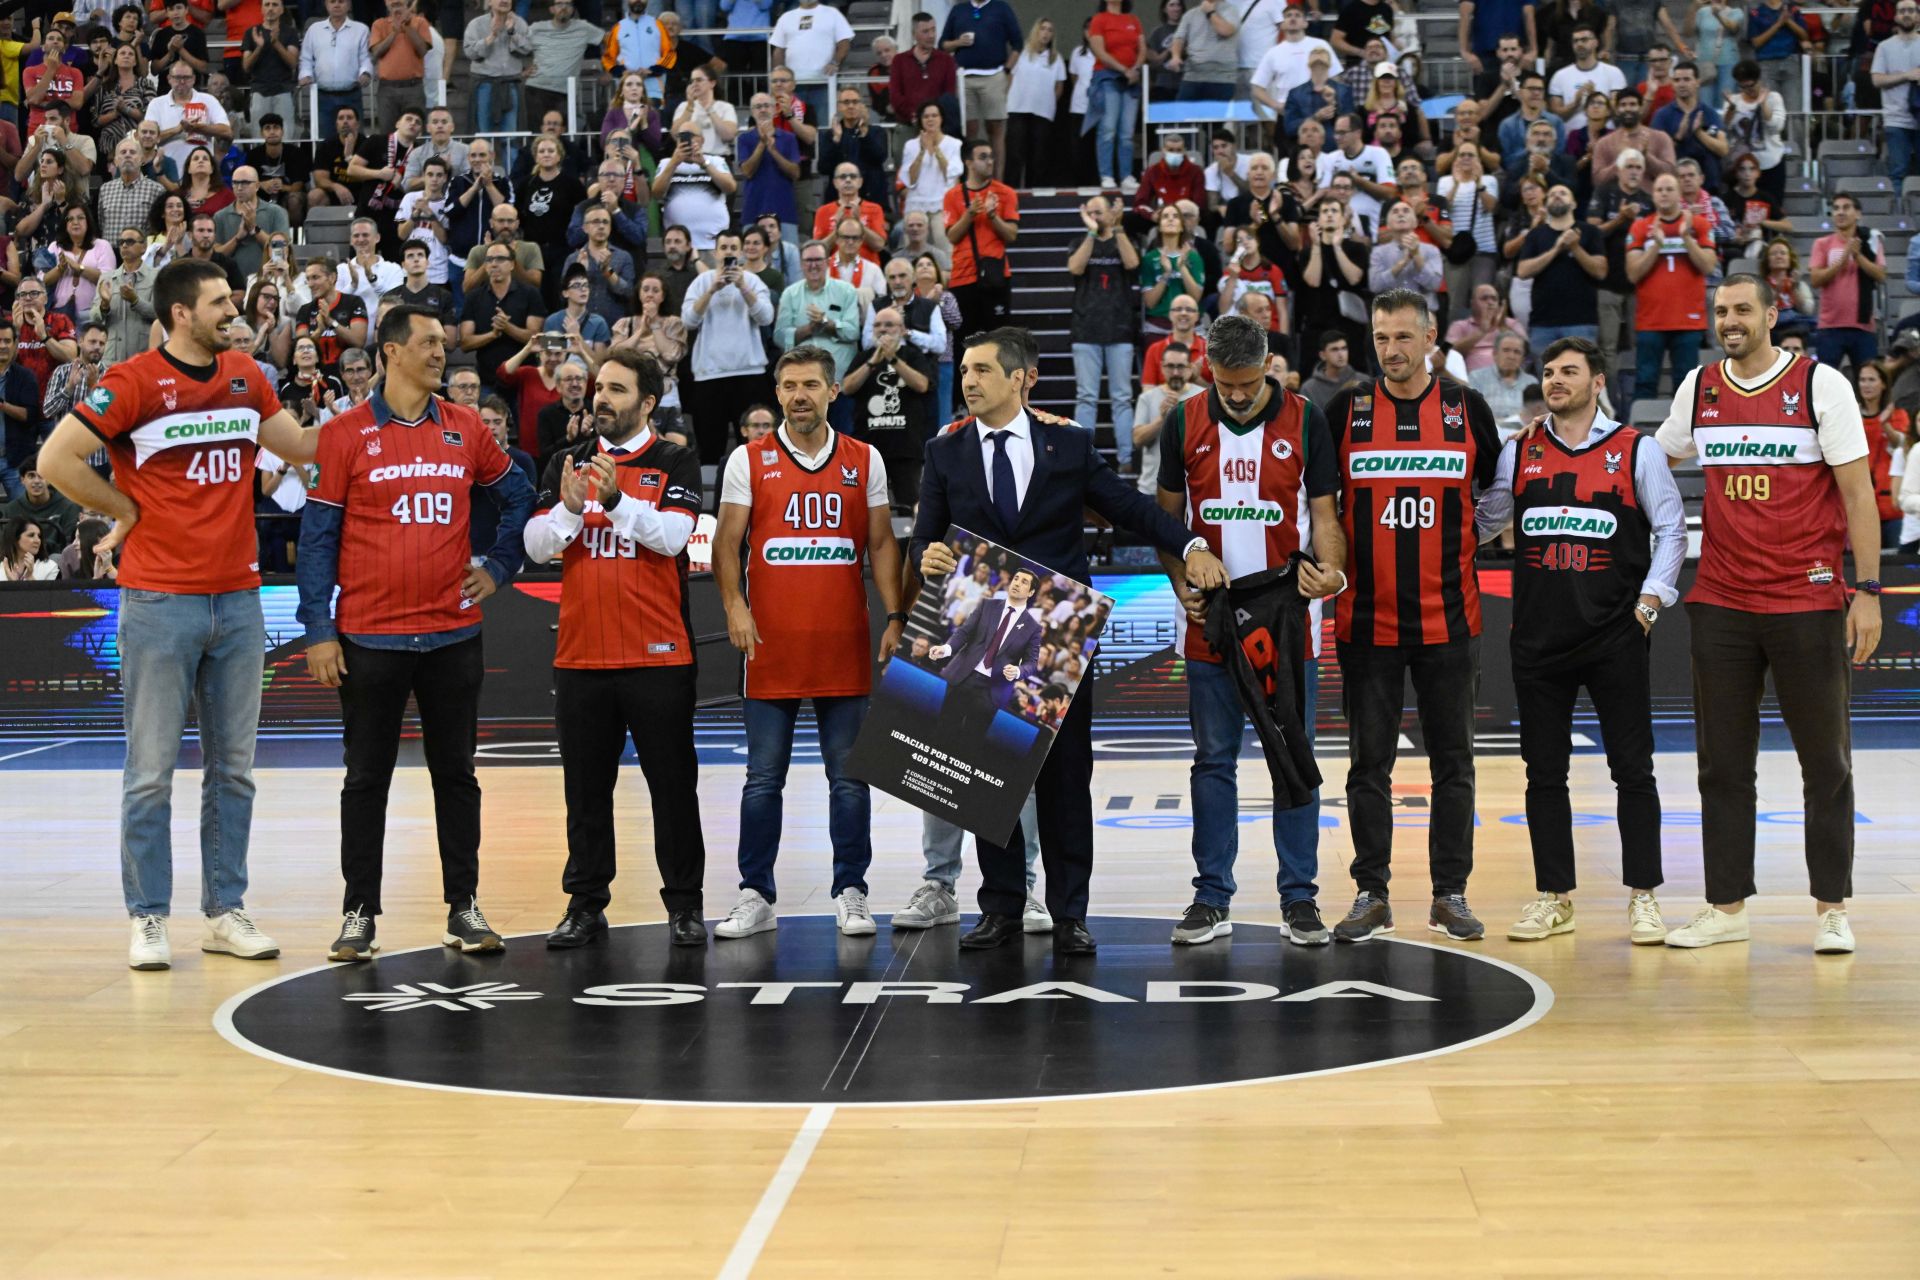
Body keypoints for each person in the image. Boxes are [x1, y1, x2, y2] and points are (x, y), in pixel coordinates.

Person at [35, 259, 320, 970]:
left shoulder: (247, 377)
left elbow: (303, 448)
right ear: (181, 313)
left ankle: (224, 911)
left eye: (233, 296)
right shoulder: (132, 382)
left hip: (240, 600)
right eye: (221, 300)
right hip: (159, 601)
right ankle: (148, 917)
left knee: (234, 771)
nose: (235, 308)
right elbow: (56, 457)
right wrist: (123, 508)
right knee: (151, 771)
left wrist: (376, 405)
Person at [908, 327, 1227, 952]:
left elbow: (1129, 507)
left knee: (1065, 781)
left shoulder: (1070, 445)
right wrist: (929, 558)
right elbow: (925, 536)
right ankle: (998, 907)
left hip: (1058, 637)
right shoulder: (944, 453)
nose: (967, 381)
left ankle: (1069, 913)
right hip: (979, 637)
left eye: (980, 371)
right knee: (985, 778)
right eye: (965, 371)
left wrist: (1189, 543)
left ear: (1021, 377)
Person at [296, 305, 533, 961]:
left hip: (453, 636)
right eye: (429, 344)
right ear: (392, 352)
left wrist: (501, 563)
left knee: (456, 775)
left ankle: (464, 907)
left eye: (443, 343)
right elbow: (316, 540)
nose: (442, 353)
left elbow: (520, 493)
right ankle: (358, 914)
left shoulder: (465, 429)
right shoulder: (341, 435)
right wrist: (318, 627)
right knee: (365, 779)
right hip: (369, 639)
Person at [1654, 275, 1882, 953]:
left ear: (1772, 315)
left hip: (1808, 598)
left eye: (1742, 309)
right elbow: (1652, 460)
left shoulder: (1820, 385)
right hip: (1721, 600)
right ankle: (1726, 908)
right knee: (1722, 763)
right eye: (1720, 310)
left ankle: (1832, 909)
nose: (1729, 320)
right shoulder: (1698, 387)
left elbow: (1858, 494)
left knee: (1827, 763)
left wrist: (1865, 590)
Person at [1150, 314, 1345, 946]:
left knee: (1294, 760)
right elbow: (1167, 521)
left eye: (1249, 383)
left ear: (1269, 365)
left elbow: (1324, 515)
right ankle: (1211, 897)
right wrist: (1182, 580)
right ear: (1208, 367)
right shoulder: (1183, 419)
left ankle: (1300, 899)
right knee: (1213, 761)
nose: (1236, 394)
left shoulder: (1306, 417)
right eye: (1225, 383)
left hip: (1287, 623)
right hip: (1210, 619)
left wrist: (1333, 570)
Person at [1320, 288, 1503, 944]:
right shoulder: (1344, 408)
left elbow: (1500, 486)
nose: (1392, 350)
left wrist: (1470, 536)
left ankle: (1449, 894)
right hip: (1366, 623)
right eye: (1382, 337)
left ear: (1431, 338)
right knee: (1369, 765)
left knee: (1454, 762)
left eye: (1404, 337)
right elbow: (1319, 500)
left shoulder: (1465, 406)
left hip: (1450, 624)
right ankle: (1372, 892)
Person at [1478, 344, 1679, 942]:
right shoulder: (1521, 450)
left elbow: (1671, 527)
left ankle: (1643, 896)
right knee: (1543, 775)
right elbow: (1486, 521)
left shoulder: (1635, 449)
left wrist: (1651, 600)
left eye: (1569, 372)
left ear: (1596, 382)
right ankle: (1554, 896)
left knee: (1632, 770)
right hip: (1538, 640)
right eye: (1548, 373)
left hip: (1615, 634)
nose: (1555, 381)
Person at [513, 349, 710, 948]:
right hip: (581, 656)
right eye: (600, 389)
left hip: (659, 656)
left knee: (672, 788)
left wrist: (619, 501)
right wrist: (572, 509)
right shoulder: (567, 463)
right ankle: (586, 903)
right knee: (585, 791)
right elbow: (537, 544)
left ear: (647, 403)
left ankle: (684, 904)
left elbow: (676, 537)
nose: (602, 399)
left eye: (618, 390)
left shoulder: (674, 459)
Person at [711, 344, 903, 940]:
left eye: (811, 385)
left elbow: (880, 545)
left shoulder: (865, 459)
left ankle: (852, 889)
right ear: (777, 393)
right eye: (789, 385)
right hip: (768, 644)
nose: (799, 395)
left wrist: (896, 615)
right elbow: (726, 544)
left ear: (832, 391)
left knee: (849, 778)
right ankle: (755, 893)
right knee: (763, 779)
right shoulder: (749, 458)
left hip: (844, 641)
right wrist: (735, 606)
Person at [683, 229, 777, 464]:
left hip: (749, 373)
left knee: (754, 448)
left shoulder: (753, 281)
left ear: (742, 253)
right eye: (724, 248)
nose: (728, 252)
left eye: (733, 248)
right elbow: (688, 321)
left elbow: (766, 317)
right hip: (709, 374)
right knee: (709, 445)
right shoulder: (702, 282)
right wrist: (712, 290)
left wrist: (743, 287)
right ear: (715, 253)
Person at [1625, 171, 1715, 400]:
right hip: (1650, 320)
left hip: (1688, 320)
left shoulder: (1699, 224)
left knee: (1685, 387)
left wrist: (1686, 239)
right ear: (1653, 195)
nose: (1664, 194)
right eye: (1659, 190)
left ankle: (1685, 436)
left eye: (1669, 189)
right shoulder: (1640, 227)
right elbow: (1633, 273)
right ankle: (1641, 436)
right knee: (1645, 382)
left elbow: (1708, 266)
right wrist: (1655, 245)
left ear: (1679, 194)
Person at [1068, 194, 1140, 470]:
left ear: (1111, 213)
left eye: (1101, 212)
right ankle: (1083, 456)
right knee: (1086, 397)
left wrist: (1118, 226)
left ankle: (1125, 458)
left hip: (1120, 329)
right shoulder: (1079, 242)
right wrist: (1091, 232)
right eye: (1092, 212)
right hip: (1086, 330)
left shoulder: (1123, 238)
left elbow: (1132, 263)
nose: (1097, 217)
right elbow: (1075, 267)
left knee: (1121, 397)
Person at [843, 305, 938, 508]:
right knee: (864, 506)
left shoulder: (912, 355)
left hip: (905, 447)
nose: (882, 329)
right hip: (868, 447)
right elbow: (847, 388)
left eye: (889, 325)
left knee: (909, 505)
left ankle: (911, 541)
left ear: (902, 329)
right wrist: (872, 363)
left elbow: (922, 385)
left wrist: (893, 359)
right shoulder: (864, 357)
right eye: (877, 325)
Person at [943, 140, 1020, 339]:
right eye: (983, 157)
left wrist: (993, 216)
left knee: (999, 341)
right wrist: (969, 214)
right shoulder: (952, 195)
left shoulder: (1006, 193)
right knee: (966, 343)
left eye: (991, 157)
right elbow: (952, 236)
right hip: (962, 276)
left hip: (996, 275)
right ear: (968, 162)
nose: (990, 162)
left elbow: (1011, 234)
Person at [1808, 194, 1889, 375]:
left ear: (1858, 214)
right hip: (1830, 327)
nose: (1840, 212)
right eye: (1836, 208)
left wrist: (1858, 256)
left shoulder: (1870, 242)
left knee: (1868, 381)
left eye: (1846, 207)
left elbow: (1880, 275)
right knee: (1826, 383)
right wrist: (1844, 258)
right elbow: (1815, 280)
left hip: (1863, 327)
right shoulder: (1822, 243)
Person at [943, 0, 1025, 176]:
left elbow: (1018, 43)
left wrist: (1007, 70)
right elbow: (943, 44)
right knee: (968, 129)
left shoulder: (1001, 8)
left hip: (994, 75)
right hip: (965, 77)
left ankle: (997, 181)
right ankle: (971, 180)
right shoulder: (959, 10)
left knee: (996, 128)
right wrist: (958, 42)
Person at [459, 242, 542, 387]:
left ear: (512, 264)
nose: (494, 264)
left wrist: (507, 327)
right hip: (486, 379)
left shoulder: (530, 294)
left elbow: (536, 338)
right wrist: (492, 334)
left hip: (523, 380)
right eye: (489, 260)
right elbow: (465, 343)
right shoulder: (474, 297)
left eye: (500, 259)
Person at [650, 127, 736, 254]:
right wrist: (674, 163)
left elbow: (730, 188)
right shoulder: (666, 163)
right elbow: (656, 194)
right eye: (681, 136)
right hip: (678, 244)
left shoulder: (715, 161)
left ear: (701, 140)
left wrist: (704, 164)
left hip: (713, 243)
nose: (685, 140)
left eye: (690, 135)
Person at [523, 0, 604, 130]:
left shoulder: (583, 28)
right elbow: (514, 45)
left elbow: (611, 41)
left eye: (568, 4)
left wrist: (608, 69)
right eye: (559, 4)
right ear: (552, 9)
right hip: (536, 89)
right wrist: (520, 71)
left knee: (562, 137)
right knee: (537, 136)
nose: (564, 8)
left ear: (573, 9)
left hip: (565, 92)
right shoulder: (537, 28)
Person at [298, 0, 374, 134]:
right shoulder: (314, 29)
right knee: (325, 141)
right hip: (323, 97)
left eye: (341, 1)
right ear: (326, 5)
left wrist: (366, 73)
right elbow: (306, 58)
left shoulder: (361, 29)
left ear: (349, 5)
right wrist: (306, 75)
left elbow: (365, 58)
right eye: (332, 1)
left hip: (352, 95)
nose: (337, 5)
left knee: (354, 139)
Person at [465, 0, 534, 144]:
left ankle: (511, 166)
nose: (505, 1)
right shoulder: (476, 24)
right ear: (489, 2)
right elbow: (470, 53)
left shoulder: (519, 23)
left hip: (511, 84)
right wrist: (492, 36)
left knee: (511, 137)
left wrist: (512, 32)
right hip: (484, 84)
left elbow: (528, 48)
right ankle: (483, 165)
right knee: (482, 135)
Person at [1871, 2, 1920, 186]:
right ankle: (1899, 214)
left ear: (1918, 16)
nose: (1906, 14)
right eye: (1902, 11)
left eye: (1911, 10)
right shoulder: (1884, 47)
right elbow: (1877, 80)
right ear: (1895, 16)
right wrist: (1907, 75)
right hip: (1896, 119)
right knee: (1898, 174)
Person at [242, 0, 301, 139]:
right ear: (261, 9)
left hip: (283, 91)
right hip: (259, 91)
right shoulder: (252, 32)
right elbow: (246, 66)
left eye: (275, 5)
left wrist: (276, 43)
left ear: (282, 9)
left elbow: (293, 63)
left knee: (286, 138)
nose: (270, 8)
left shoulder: (290, 32)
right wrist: (259, 47)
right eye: (267, 4)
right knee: (258, 138)